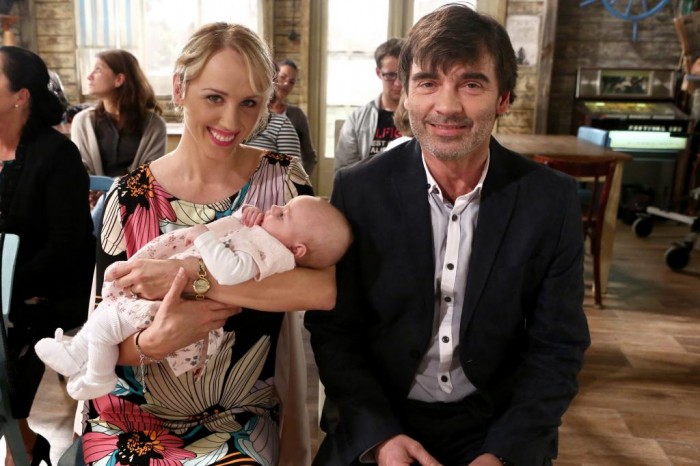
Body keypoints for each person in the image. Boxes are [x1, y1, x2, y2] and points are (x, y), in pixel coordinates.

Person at [305, 5, 591, 466]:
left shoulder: (550, 201)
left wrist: (504, 451)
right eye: (427, 82)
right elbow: (335, 332)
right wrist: (380, 436)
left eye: (471, 84)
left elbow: (557, 346)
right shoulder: (359, 191)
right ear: (405, 95)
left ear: (503, 98)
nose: (447, 106)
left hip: (494, 424)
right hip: (383, 414)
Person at [78, 22, 336, 466]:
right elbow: (100, 332)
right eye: (215, 98)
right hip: (128, 414)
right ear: (180, 88)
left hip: (238, 415)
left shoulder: (283, 182)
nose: (231, 122)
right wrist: (152, 343)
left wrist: (192, 277)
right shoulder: (128, 197)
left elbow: (323, 289)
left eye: (249, 103)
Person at [36, 195, 351, 400]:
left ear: (298, 249)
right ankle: (77, 356)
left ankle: (94, 373)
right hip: (137, 383)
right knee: (106, 317)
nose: (276, 208)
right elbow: (233, 237)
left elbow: (232, 268)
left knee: (107, 323)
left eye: (283, 215)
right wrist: (245, 216)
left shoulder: (273, 246)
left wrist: (194, 264)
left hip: (221, 387)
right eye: (282, 207)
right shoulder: (127, 195)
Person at [0, 46, 95, 466]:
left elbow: (66, 244)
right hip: (7, 289)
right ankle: (22, 437)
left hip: (47, 288)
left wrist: (9, 287)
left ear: (20, 96)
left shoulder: (57, 155)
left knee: (10, 338)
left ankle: (19, 442)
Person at [71, 49, 166, 177]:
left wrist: (114, 187)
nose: (89, 76)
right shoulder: (82, 122)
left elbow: (152, 176)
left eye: (98, 70)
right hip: (92, 191)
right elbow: (79, 172)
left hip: (138, 191)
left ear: (119, 79)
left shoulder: (154, 125)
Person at [334, 37, 404, 172]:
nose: (398, 83)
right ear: (379, 73)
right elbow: (344, 170)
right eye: (390, 75)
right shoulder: (357, 119)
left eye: (402, 75)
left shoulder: (420, 116)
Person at [270, 59, 317, 175]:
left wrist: (299, 180)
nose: (286, 84)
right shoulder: (255, 112)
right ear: (274, 76)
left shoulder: (297, 115)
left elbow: (310, 156)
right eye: (283, 77)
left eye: (291, 82)